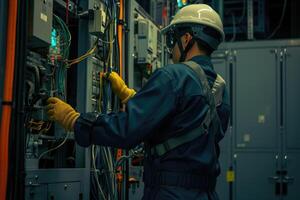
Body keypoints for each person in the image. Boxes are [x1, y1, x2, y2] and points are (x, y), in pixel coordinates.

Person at [46, 4, 230, 200]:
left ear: (186, 39)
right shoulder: (219, 89)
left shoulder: (174, 76)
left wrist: (74, 120)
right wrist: (131, 97)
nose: (170, 50)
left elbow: (126, 130)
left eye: (172, 40)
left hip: (169, 193)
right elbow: (182, 128)